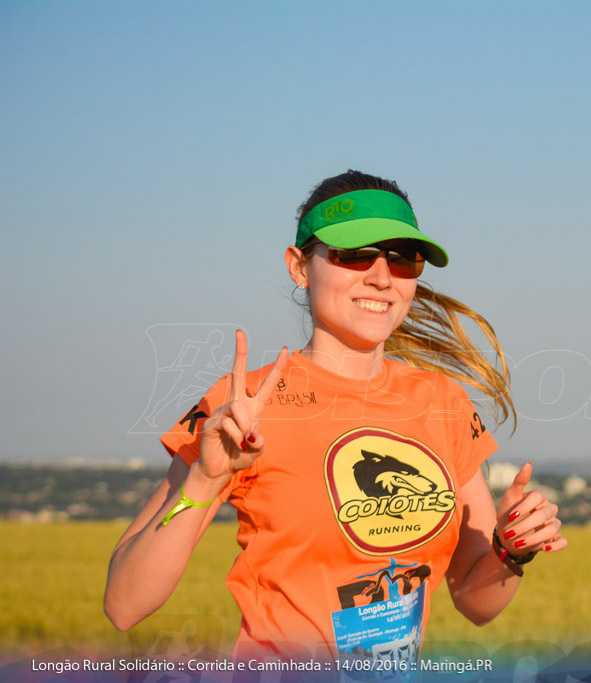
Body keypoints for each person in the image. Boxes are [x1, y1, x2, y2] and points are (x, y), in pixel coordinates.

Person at [105, 170, 566, 663]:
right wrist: (202, 479)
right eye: (354, 253)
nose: (382, 276)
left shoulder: (443, 401)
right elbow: (124, 604)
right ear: (299, 267)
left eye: (403, 258)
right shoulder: (243, 403)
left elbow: (475, 601)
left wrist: (511, 550)